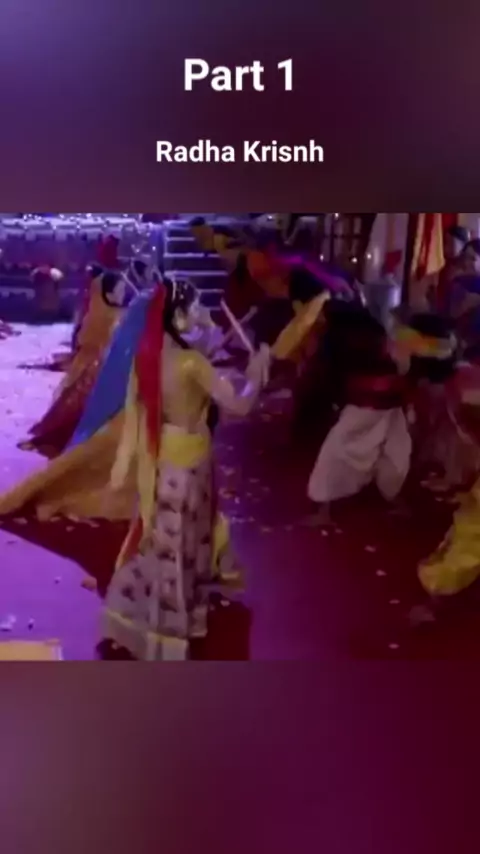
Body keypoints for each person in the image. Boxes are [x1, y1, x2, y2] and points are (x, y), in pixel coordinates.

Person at [92, 277, 270, 660]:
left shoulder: (149, 357)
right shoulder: (192, 362)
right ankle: (174, 630)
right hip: (191, 465)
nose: (202, 313)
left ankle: (145, 622)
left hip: (165, 461)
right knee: (187, 546)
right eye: (196, 307)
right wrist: (257, 374)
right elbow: (240, 406)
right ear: (177, 316)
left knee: (164, 545)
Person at [305, 315, 412, 525]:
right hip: (376, 411)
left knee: (335, 454)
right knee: (389, 455)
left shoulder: (355, 353)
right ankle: (395, 501)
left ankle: (325, 510)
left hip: (376, 412)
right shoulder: (376, 359)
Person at [18, 267, 127, 458]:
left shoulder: (119, 313)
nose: (123, 294)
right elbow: (87, 341)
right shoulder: (101, 315)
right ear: (108, 293)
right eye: (119, 290)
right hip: (95, 369)